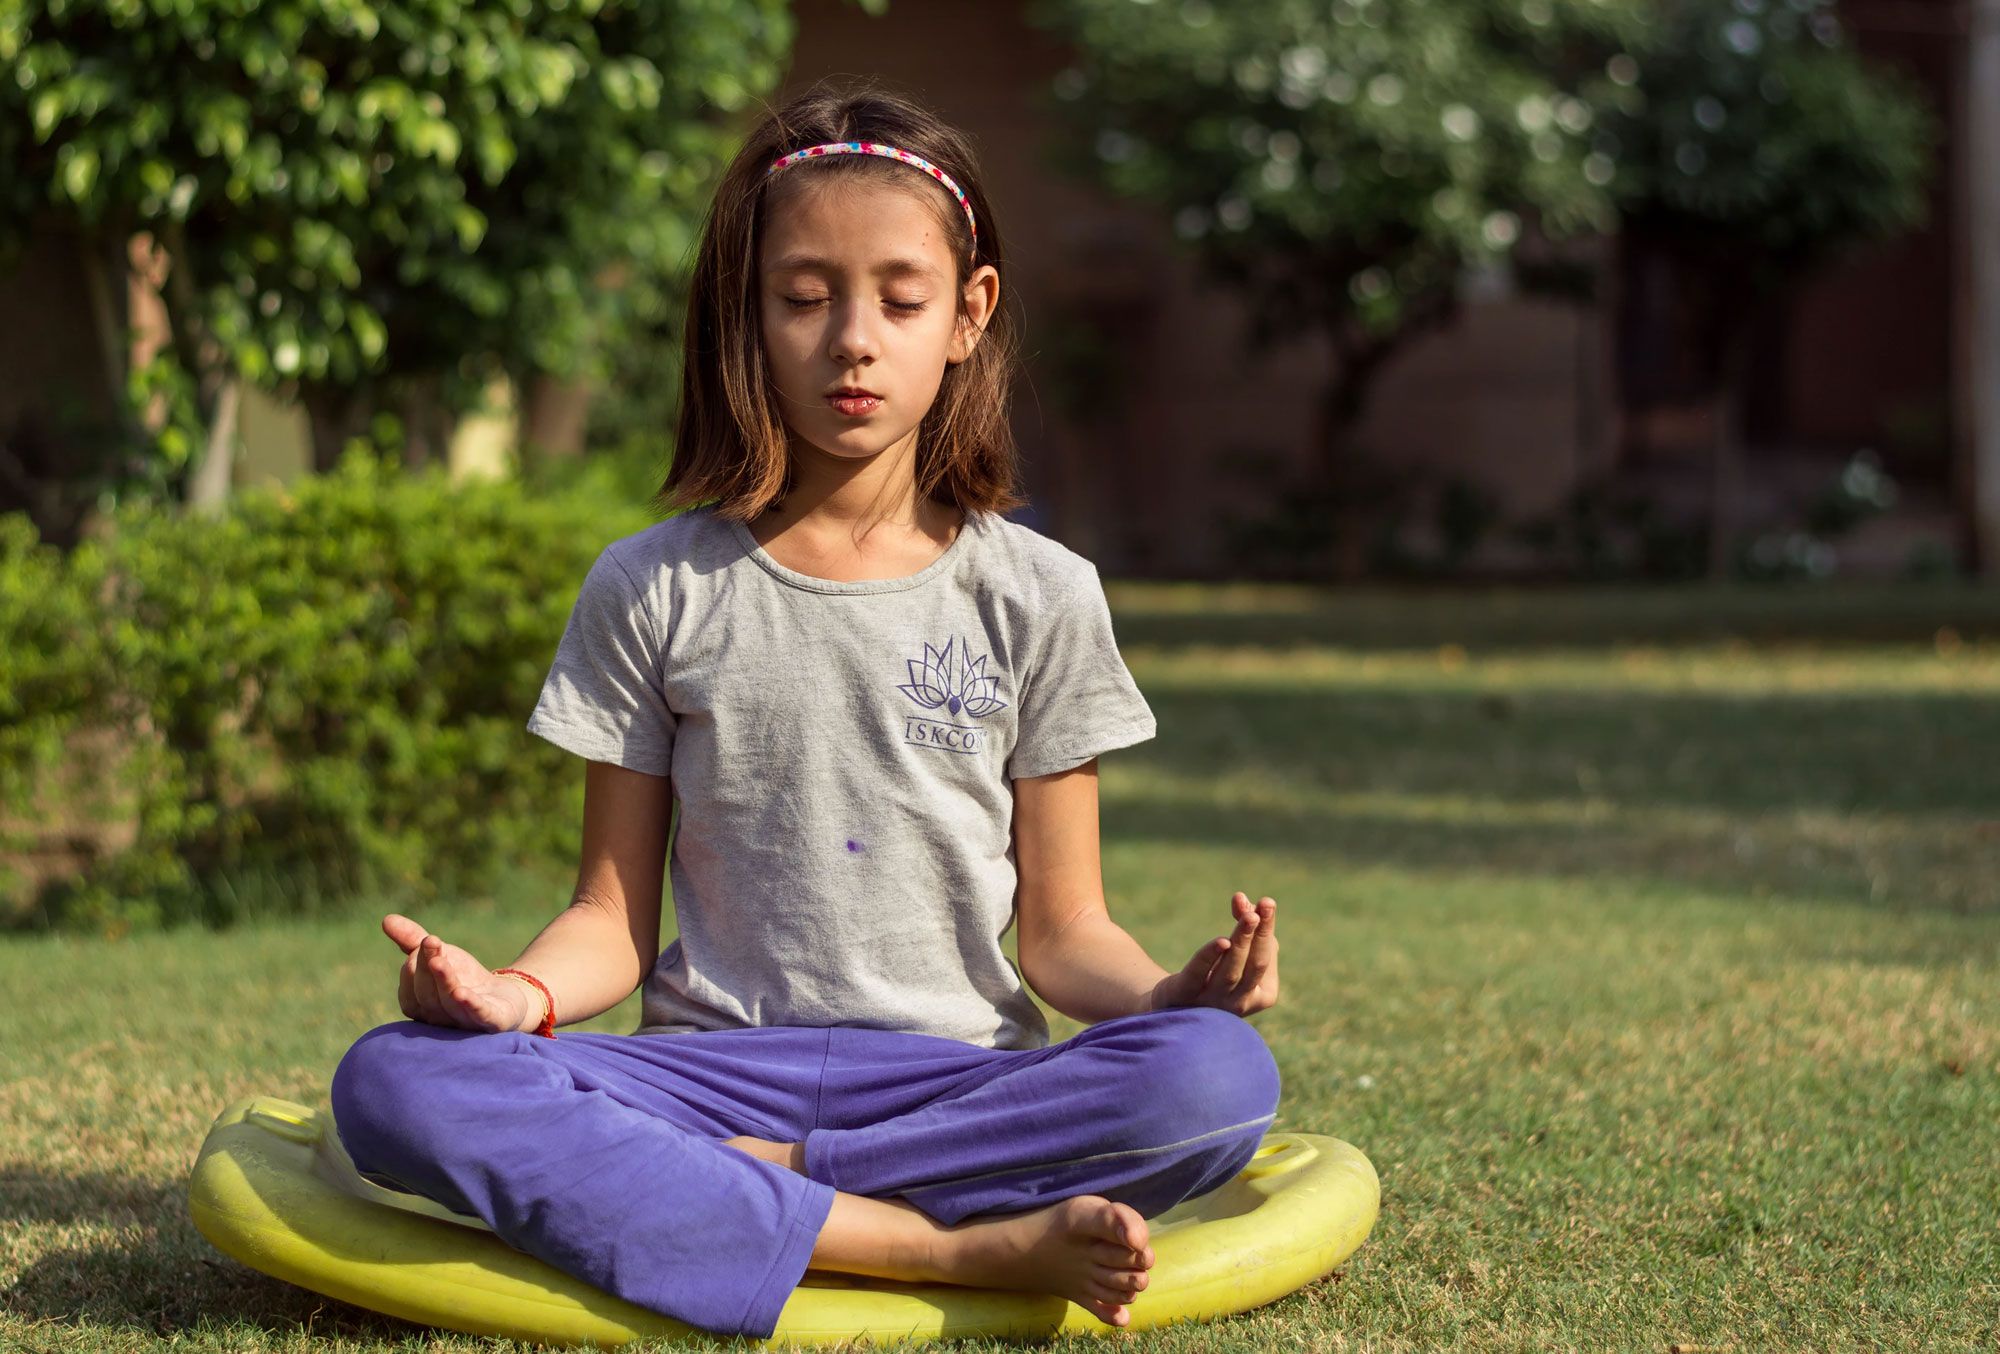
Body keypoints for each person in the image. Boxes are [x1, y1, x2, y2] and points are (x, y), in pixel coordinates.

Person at [328, 78, 1284, 1342]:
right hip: (702, 1070)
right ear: (748, 315)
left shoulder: (1040, 594)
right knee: (396, 1081)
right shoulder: (652, 584)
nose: (851, 339)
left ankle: (738, 1191)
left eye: (900, 299)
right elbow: (610, 920)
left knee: (1214, 1080)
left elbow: (1062, 934)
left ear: (968, 315)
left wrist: (1173, 995)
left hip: (953, 1078)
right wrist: (515, 998)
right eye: (802, 297)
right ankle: (953, 1245)